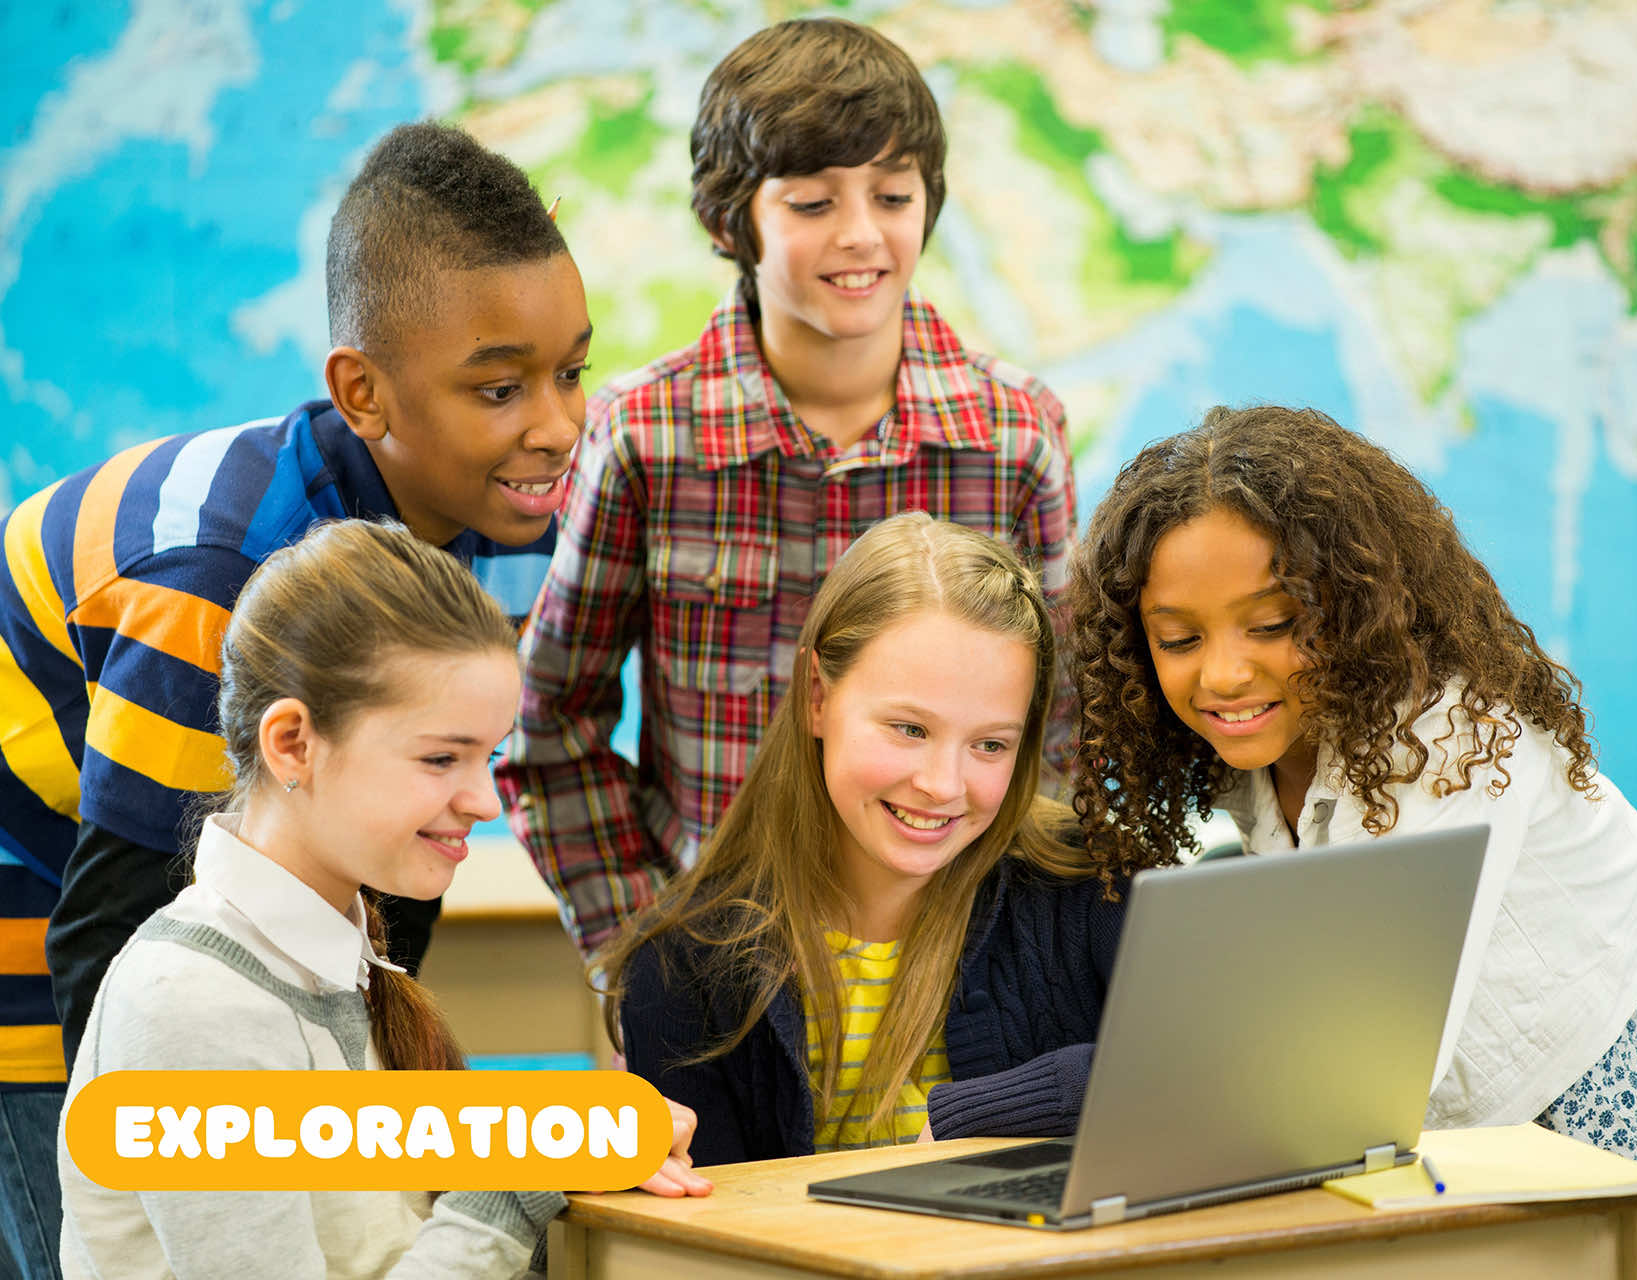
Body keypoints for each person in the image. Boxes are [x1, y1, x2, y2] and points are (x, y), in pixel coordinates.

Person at [0, 121, 589, 1277]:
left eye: (573, 369)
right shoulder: (211, 582)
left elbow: (384, 866)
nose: (558, 425)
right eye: (502, 386)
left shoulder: (511, 512)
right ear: (363, 392)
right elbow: (115, 938)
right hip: (47, 912)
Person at [1066, 406, 1637, 1278]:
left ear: (1356, 605)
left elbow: (1372, 1066)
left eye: (1270, 626)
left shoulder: (1449, 740)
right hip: (1497, 1099)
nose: (1223, 673)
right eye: (1179, 639)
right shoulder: (1251, 739)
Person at [497, 17, 1079, 960]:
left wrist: (1019, 957)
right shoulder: (644, 433)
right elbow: (550, 722)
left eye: (893, 195)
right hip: (718, 964)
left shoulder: (1015, 435)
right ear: (732, 221)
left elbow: (1063, 732)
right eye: (811, 204)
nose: (861, 234)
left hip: (957, 965)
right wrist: (641, 957)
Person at [57, 518, 580, 1276]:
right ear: (293, 743)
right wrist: (508, 1191)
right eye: (442, 758)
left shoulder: (336, 961)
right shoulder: (194, 1007)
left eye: (489, 755)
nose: (484, 800)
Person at [603, 514, 1123, 1166]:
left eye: (990, 744)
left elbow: (1216, 1061)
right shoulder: (684, 964)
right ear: (817, 697)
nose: (942, 784)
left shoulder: (1094, 884)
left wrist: (977, 1117)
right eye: (909, 728)